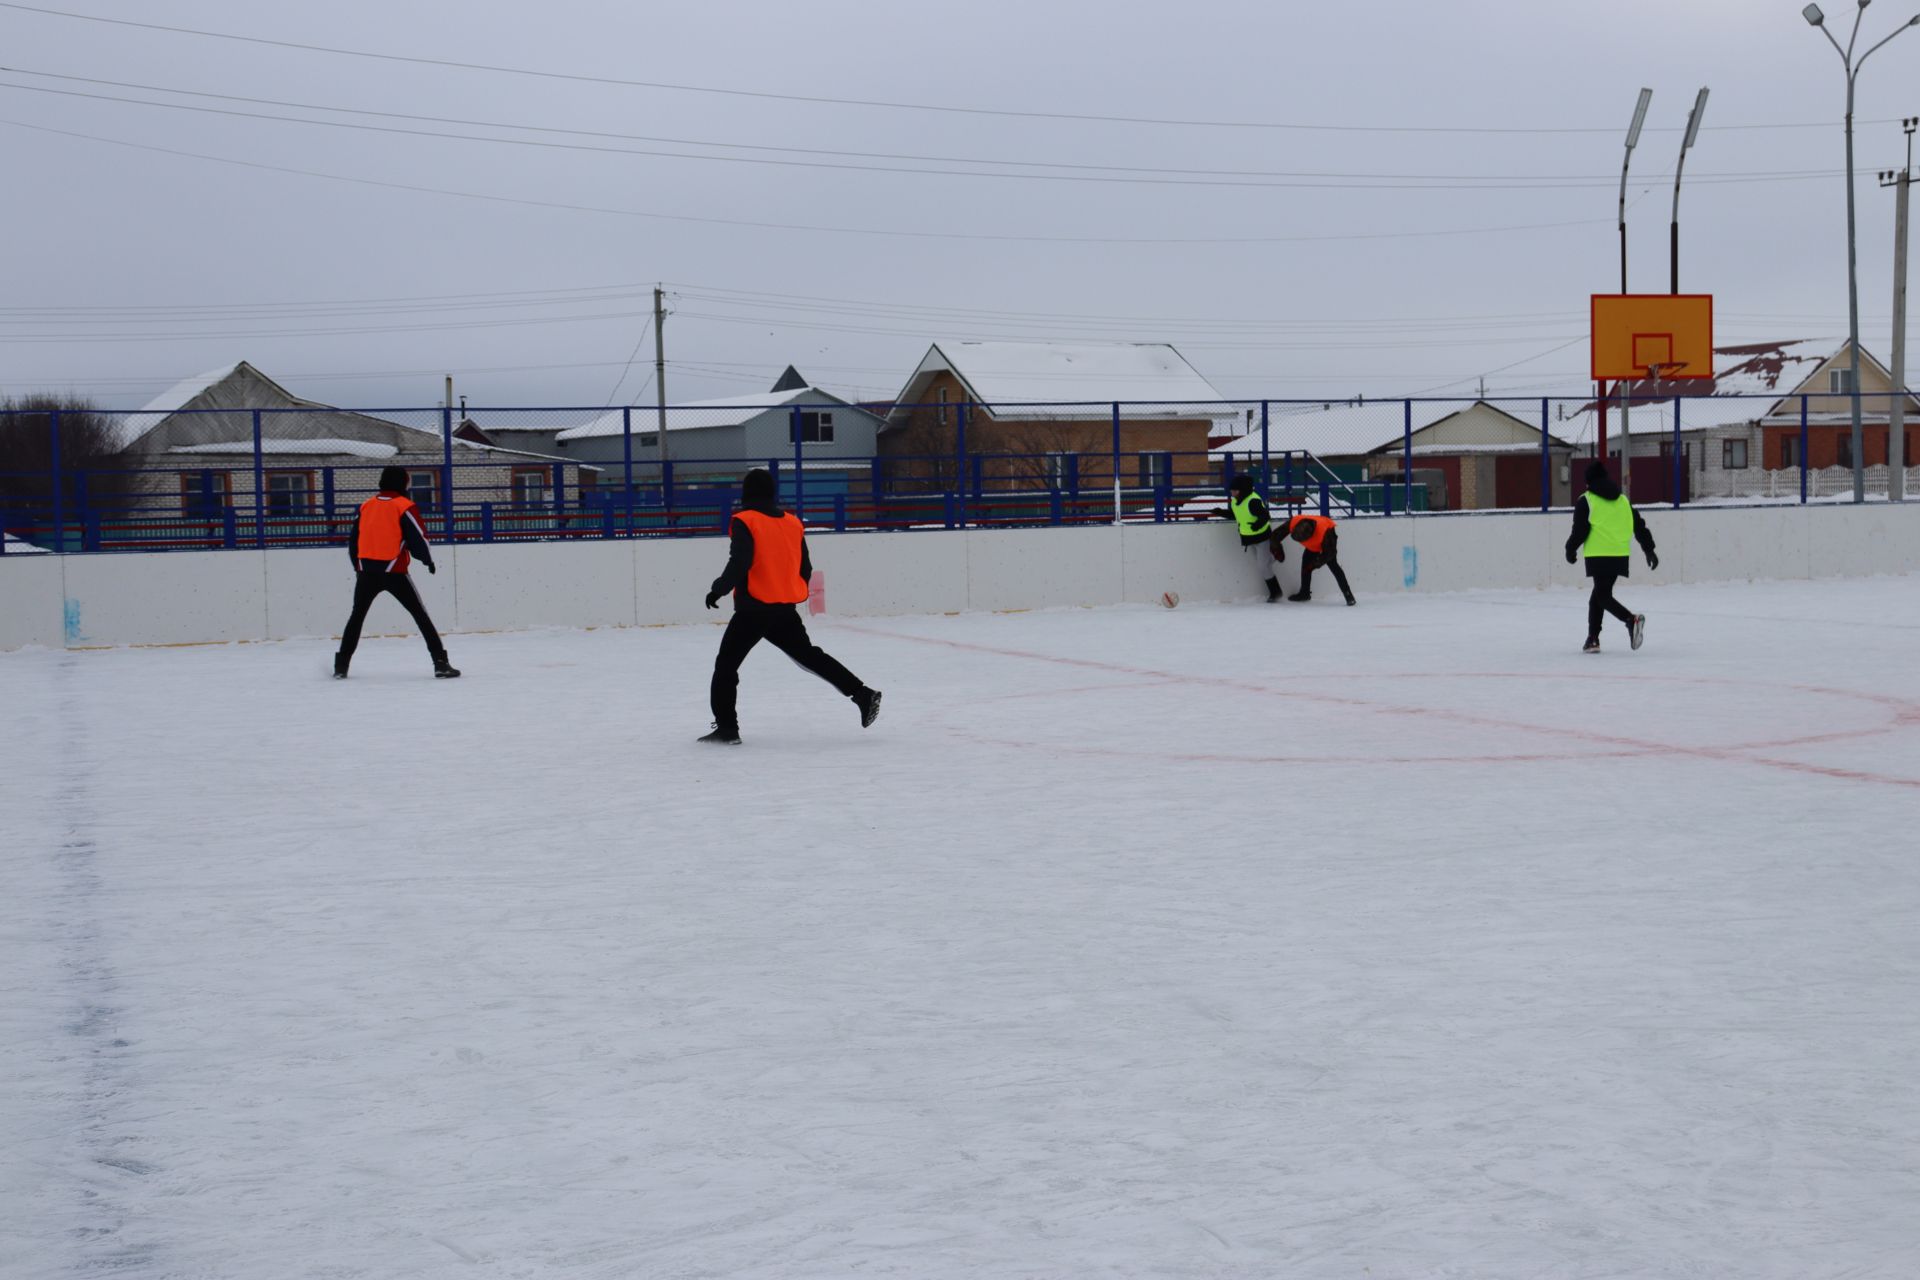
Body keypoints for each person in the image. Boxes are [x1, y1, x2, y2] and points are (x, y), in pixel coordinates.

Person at [701, 468, 881, 744]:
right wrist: (786, 589)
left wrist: (719, 588)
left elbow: (741, 561)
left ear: (746, 492)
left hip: (754, 609)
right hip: (784, 607)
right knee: (809, 655)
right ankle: (862, 693)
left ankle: (727, 728)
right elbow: (805, 567)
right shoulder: (792, 522)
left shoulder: (745, 520)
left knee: (726, 666)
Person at [334, 466, 459, 679]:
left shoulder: (367, 506)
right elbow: (417, 537)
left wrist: (358, 565)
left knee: (356, 617)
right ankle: (440, 663)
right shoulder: (404, 506)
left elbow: (354, 539)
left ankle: (341, 667)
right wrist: (426, 559)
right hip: (394, 571)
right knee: (420, 615)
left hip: (366, 572)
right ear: (402, 483)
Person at [1565, 460, 1657, 654]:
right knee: (1598, 596)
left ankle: (1631, 620)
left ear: (1588, 482)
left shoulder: (1587, 500)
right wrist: (1649, 549)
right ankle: (1593, 639)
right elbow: (1639, 525)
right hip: (1619, 554)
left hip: (1599, 554)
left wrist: (1570, 549)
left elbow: (1580, 530)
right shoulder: (1623, 500)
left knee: (1603, 595)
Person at [1218, 474, 1284, 602]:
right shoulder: (1236, 501)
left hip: (1262, 537)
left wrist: (1258, 524)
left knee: (1263, 566)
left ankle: (1276, 593)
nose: (1232, 493)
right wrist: (1220, 512)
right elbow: (1235, 514)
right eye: (1231, 491)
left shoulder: (1253, 501)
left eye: (1235, 490)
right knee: (1264, 565)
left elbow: (1265, 516)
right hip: (1249, 538)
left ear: (1242, 490)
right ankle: (1275, 556)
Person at [1279, 512, 1356, 605]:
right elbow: (1277, 535)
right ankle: (1304, 593)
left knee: (1333, 566)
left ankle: (1348, 596)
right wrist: (1275, 546)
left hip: (1327, 539)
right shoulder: (1294, 522)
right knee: (1306, 562)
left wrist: (1314, 564)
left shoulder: (1326, 532)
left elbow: (1329, 554)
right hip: (1314, 539)